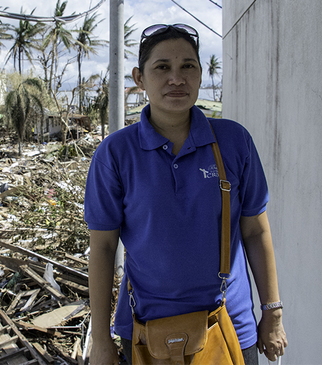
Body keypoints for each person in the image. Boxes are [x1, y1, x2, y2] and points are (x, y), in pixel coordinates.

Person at [84, 24, 287, 365]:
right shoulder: (115, 153)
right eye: (162, 67)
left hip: (230, 326)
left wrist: (273, 313)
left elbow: (256, 231)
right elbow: (102, 247)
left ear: (200, 74)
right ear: (140, 78)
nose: (176, 79)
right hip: (145, 330)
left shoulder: (234, 142)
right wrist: (101, 339)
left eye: (187, 67)